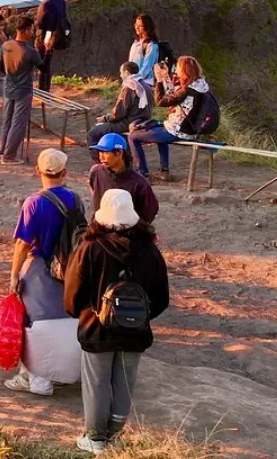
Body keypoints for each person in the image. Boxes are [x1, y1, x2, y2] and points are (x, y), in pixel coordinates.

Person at [64, 189, 170, 454]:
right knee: (125, 381)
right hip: (136, 331)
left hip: (96, 330)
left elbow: (72, 296)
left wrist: (85, 314)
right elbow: (162, 296)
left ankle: (95, 438)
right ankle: (114, 433)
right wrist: (139, 319)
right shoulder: (149, 250)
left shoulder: (89, 247)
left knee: (96, 384)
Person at [4, 150, 85, 397]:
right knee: (66, 320)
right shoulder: (75, 199)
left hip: (39, 268)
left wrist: (14, 275)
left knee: (35, 324)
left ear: (37, 171)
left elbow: (23, 243)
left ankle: (35, 379)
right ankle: (62, 373)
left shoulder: (34, 203)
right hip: (70, 268)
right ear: (65, 173)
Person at [128, 55, 211, 180]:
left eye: (178, 68)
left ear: (185, 71)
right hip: (189, 128)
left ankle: (142, 173)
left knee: (133, 137)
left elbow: (161, 101)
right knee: (156, 126)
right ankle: (164, 171)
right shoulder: (201, 86)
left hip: (179, 131)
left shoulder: (187, 91)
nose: (176, 71)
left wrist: (159, 80)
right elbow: (173, 95)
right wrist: (166, 76)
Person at [0, 17, 44, 165]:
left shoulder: (5, 45)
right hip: (23, 90)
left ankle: (2, 151)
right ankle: (9, 156)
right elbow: (44, 69)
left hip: (8, 87)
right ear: (26, 30)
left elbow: (0, 68)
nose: (33, 32)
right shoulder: (30, 52)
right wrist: (47, 51)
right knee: (18, 123)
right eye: (31, 29)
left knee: (7, 121)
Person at [86, 63, 153, 162]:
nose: (120, 75)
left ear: (126, 72)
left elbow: (118, 114)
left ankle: (100, 164)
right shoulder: (146, 85)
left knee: (93, 133)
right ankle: (125, 162)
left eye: (121, 72)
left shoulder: (130, 86)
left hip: (128, 123)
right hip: (143, 121)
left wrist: (105, 118)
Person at [89, 134, 158, 224]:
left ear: (119, 153)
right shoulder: (96, 172)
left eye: (105, 152)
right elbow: (94, 193)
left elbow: (149, 213)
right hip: (100, 230)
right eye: (100, 152)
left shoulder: (139, 183)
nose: (101, 157)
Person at [35, 0, 67, 92]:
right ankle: (46, 88)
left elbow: (40, 22)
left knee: (41, 61)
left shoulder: (47, 3)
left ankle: (42, 89)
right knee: (47, 59)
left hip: (45, 33)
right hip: (55, 33)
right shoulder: (60, 1)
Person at [128, 14, 161, 87]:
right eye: (136, 25)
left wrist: (135, 80)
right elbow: (130, 64)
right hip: (133, 83)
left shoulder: (152, 46)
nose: (137, 28)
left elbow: (147, 67)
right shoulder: (135, 44)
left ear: (147, 28)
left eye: (140, 26)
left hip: (145, 83)